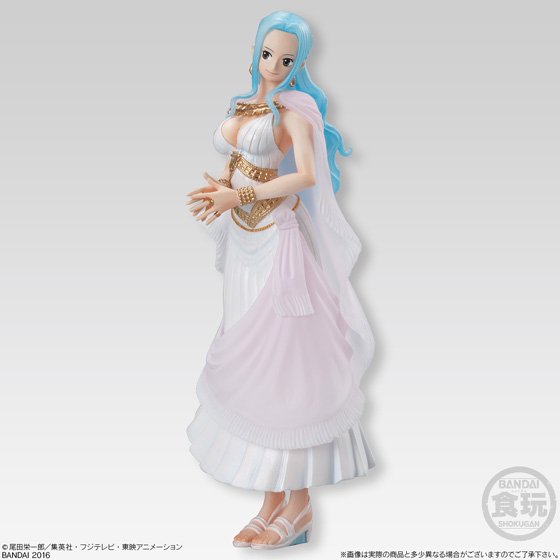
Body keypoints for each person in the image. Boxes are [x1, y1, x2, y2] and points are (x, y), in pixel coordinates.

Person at [185, 10, 376, 550]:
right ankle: (272, 500)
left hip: (279, 245)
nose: (273, 66)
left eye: (285, 59)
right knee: (250, 364)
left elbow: (307, 174)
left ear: (299, 63)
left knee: (285, 363)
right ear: (255, 51)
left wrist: (239, 194)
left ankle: (298, 504)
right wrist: (223, 189)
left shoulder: (294, 112)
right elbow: (238, 158)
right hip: (243, 244)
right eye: (267, 54)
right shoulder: (243, 105)